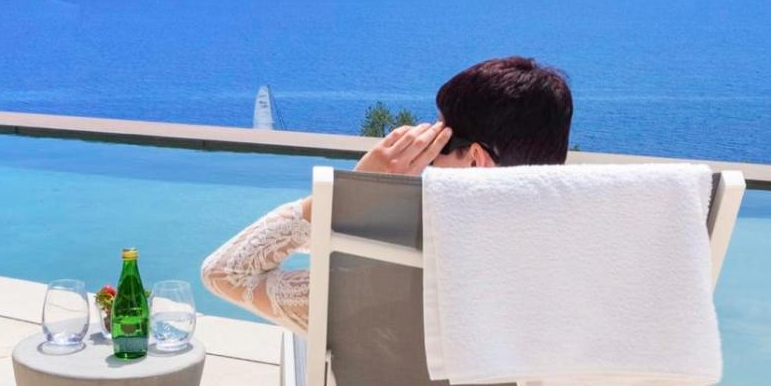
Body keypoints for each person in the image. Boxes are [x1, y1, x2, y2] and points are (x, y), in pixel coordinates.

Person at [200, 56, 574, 333]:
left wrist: (353, 192)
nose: (428, 160)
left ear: (476, 160)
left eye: (439, 143)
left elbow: (224, 272)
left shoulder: (388, 282)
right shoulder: (583, 268)